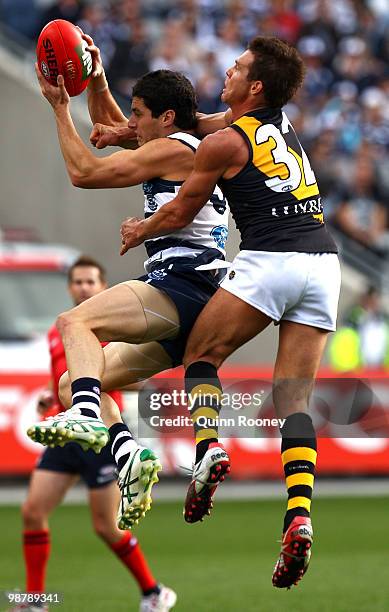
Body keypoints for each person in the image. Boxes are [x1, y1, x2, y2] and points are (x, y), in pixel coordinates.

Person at [119, 36, 341, 589]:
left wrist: (140, 228)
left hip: (272, 258)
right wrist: (125, 130)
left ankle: (207, 449)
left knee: (201, 353)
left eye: (238, 67)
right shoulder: (276, 125)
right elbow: (198, 122)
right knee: (294, 399)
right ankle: (298, 516)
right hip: (325, 263)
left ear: (255, 85)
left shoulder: (226, 143)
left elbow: (179, 209)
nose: (228, 71)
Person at [28, 34, 230, 533]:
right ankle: (129, 458)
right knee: (75, 377)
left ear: (165, 119)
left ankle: (83, 416)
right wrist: (96, 80)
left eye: (139, 113)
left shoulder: (174, 151)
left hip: (183, 286)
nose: (129, 122)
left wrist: (58, 108)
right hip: (194, 296)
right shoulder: (180, 144)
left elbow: (82, 172)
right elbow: (113, 128)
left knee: (74, 322)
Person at [19, 257, 176, 612]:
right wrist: (50, 395)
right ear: (70, 287)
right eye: (78, 282)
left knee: (106, 527)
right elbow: (59, 375)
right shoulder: (61, 330)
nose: (84, 287)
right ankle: (35, 602)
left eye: (91, 281)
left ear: (103, 287)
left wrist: (104, 382)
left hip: (102, 435)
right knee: (32, 511)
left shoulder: (115, 330)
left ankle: (153, 592)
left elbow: (138, 379)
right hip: (66, 429)